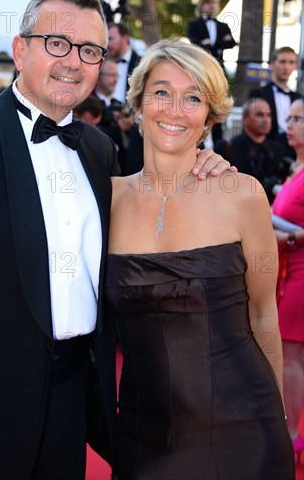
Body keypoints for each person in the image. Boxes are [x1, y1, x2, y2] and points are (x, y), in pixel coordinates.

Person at [0, 0, 233, 480]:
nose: (72, 62)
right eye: (57, 42)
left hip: (75, 400)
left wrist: (205, 160)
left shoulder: (100, 152)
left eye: (89, 50)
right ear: (20, 48)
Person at [106, 38, 295, 479]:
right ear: (138, 103)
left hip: (245, 432)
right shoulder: (105, 199)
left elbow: (265, 315)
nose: (175, 109)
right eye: (162, 93)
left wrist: (280, 420)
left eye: (193, 98)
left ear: (209, 116)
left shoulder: (242, 194)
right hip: (140, 438)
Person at [272, 98, 304, 465]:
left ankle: (292, 434)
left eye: (298, 119)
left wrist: (290, 238)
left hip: (300, 272)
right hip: (287, 270)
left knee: (291, 354)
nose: (290, 124)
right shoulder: (295, 167)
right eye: (290, 117)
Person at [214, 98, 289, 203]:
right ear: (245, 119)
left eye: (269, 115)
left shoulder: (279, 150)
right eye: (259, 115)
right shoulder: (227, 148)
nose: (265, 120)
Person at [248, 46, 301, 153]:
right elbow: (251, 125)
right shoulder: (258, 94)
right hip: (265, 152)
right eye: (282, 61)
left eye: (291, 62)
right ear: (272, 64)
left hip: (293, 153)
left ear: (296, 66)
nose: (286, 67)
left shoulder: (299, 99)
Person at [187, 0, 236, 69]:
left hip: (219, 67)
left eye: (214, 2)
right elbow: (195, 44)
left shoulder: (223, 26)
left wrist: (210, 42)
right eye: (208, 2)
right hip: (200, 66)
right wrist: (221, 42)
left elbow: (231, 43)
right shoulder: (193, 24)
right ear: (201, 5)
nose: (212, 5)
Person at [106, 22, 141, 103]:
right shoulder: (101, 61)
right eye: (106, 39)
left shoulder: (141, 64)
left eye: (111, 39)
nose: (107, 43)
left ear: (125, 38)